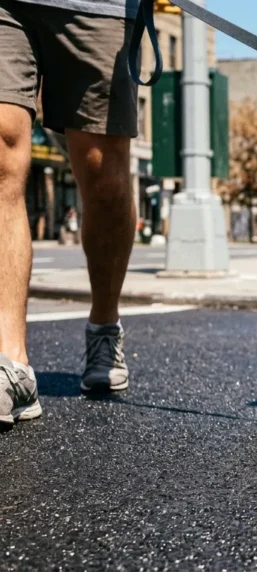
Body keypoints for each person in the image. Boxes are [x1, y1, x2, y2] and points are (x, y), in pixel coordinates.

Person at [1, 0, 139, 426]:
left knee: (104, 176)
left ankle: (104, 325)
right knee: (2, 151)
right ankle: (11, 363)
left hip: (96, 6)